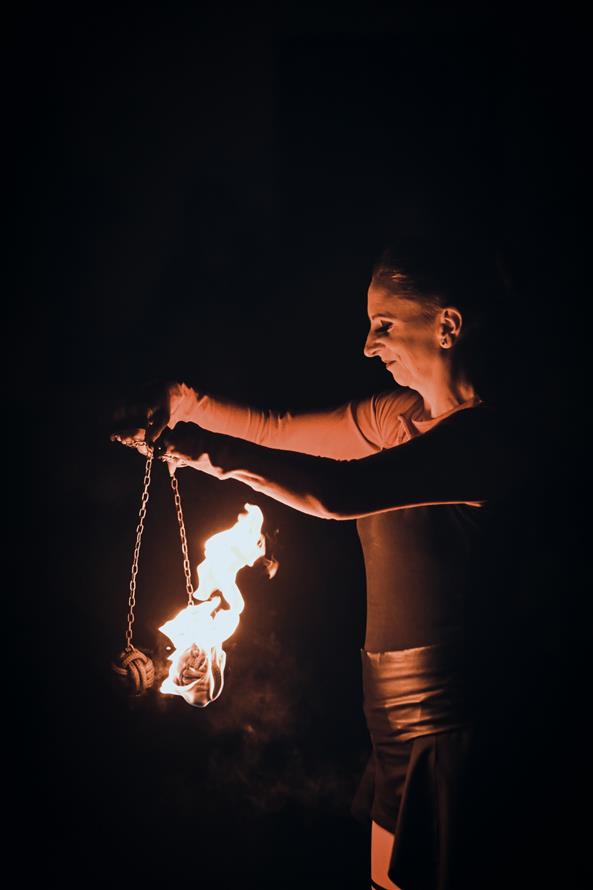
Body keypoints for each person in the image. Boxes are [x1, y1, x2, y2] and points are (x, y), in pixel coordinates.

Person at [112, 240, 525, 890]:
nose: (368, 345)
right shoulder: (396, 418)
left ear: (447, 326)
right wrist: (186, 406)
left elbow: (338, 495)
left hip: (448, 720)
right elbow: (276, 428)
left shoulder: (483, 437)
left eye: (383, 324)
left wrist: (207, 456)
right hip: (386, 712)